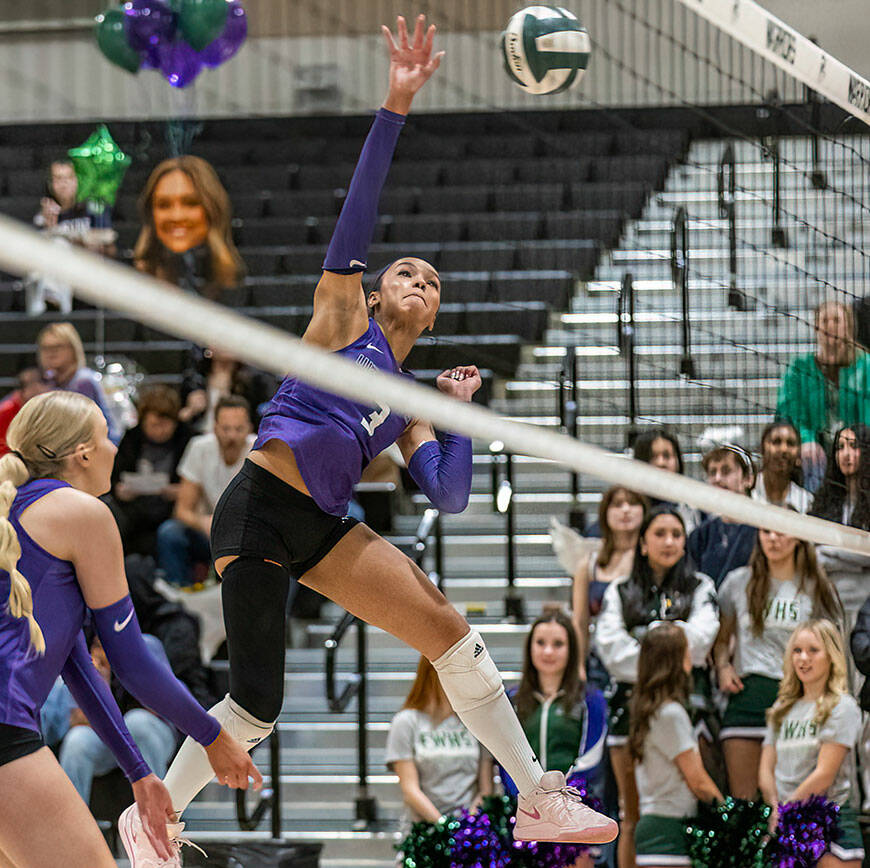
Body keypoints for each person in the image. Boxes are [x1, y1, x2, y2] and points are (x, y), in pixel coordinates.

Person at [144, 19, 617, 863]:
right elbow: (356, 222)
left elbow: (450, 496)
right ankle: (153, 819)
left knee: (451, 633)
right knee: (256, 704)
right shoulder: (340, 321)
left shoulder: (408, 399)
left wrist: (462, 415)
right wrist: (395, 106)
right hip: (257, 509)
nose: (418, 281)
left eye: (430, 283)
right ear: (378, 288)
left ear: (431, 316)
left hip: (323, 528)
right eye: (407, 271)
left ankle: (537, 793)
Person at [0, 390, 260, 867]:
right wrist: (213, 736)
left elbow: (76, 663)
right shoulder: (82, 514)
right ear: (83, 453)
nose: (115, 447)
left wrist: (138, 772)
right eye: (107, 436)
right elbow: (131, 661)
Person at [594, 505, 719, 868]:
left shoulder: (701, 585)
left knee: (690, 802)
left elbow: (702, 639)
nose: (669, 541)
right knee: (630, 816)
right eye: (660, 534)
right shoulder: (621, 588)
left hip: (691, 708)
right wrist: (667, 647)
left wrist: (646, 644)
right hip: (627, 713)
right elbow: (610, 649)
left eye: (677, 535)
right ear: (643, 544)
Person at [714, 525, 843, 798]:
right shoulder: (738, 582)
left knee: (792, 802)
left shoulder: (816, 586)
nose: (773, 538)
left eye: (782, 532)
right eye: (765, 532)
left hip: (797, 701)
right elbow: (722, 640)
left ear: (798, 537)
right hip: (747, 699)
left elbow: (832, 646)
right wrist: (723, 666)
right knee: (743, 805)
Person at [761, 620, 864, 866]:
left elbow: (824, 774)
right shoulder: (780, 710)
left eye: (813, 650)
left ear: (831, 656)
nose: (803, 658)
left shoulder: (843, 706)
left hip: (830, 825)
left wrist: (784, 814)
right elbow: (765, 769)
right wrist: (775, 809)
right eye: (797, 650)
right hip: (784, 823)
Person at [41, 635, 178, 806]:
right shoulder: (87, 659)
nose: (101, 651)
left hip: (154, 735)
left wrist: (129, 669)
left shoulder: (146, 646)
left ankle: (162, 816)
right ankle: (73, 826)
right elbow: (79, 720)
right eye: (98, 645)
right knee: (77, 740)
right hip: (114, 742)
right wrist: (99, 686)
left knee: (136, 722)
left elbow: (165, 704)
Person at [629, 624, 723, 867]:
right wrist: (729, 814)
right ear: (674, 659)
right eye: (686, 650)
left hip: (656, 826)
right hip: (669, 830)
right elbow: (698, 781)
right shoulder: (670, 714)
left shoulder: (649, 710)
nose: (690, 655)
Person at [505, 613, 607, 800]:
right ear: (529, 648)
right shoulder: (512, 700)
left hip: (575, 805)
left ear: (571, 649)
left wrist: (561, 794)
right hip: (524, 807)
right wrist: (528, 794)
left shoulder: (591, 700)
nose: (548, 652)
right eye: (540, 643)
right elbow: (505, 755)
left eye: (558, 644)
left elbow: (592, 755)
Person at [160, 396, 256, 588]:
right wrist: (203, 522)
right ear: (215, 427)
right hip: (209, 531)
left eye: (239, 429)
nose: (232, 436)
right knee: (170, 533)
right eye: (226, 429)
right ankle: (180, 598)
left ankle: (274, 614)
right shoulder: (200, 447)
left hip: (249, 535)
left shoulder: (259, 450)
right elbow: (182, 510)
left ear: (249, 428)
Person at [386, 658, 492, 826]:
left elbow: (486, 788)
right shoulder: (406, 722)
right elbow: (410, 789)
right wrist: (444, 827)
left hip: (468, 832)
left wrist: (467, 827)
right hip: (423, 831)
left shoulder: (476, 721)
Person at [776, 300, 870, 488]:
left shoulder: (865, 366)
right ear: (816, 327)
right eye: (825, 321)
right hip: (816, 454)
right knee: (812, 456)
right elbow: (789, 413)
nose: (830, 326)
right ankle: (817, 508)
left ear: (849, 326)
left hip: (858, 447)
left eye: (836, 320)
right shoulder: (799, 369)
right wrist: (807, 440)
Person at [134, 157, 244, 302]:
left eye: (191, 203)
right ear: (151, 214)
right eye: (164, 205)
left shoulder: (239, 283)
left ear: (212, 210)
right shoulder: (128, 284)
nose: (177, 216)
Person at [111, 386, 195, 558]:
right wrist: (119, 491)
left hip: (170, 510)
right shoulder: (132, 438)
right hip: (133, 509)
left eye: (166, 425)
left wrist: (184, 492)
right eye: (154, 425)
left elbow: (198, 481)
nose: (160, 431)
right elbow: (114, 478)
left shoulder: (188, 439)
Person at [28, 160, 117, 314]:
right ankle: (51, 306)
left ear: (77, 181)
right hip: (58, 272)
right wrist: (50, 230)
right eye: (58, 179)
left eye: (68, 178)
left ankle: (54, 304)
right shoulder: (45, 215)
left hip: (88, 270)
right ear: (50, 184)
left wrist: (66, 236)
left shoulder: (93, 210)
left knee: (59, 244)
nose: (64, 184)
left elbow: (110, 246)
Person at [571, 486, 648, 661]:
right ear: (605, 512)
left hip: (642, 656)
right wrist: (579, 667)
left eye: (633, 503)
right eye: (618, 504)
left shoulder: (652, 559)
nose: (626, 510)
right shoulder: (588, 563)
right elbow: (580, 622)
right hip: (599, 658)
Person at [36, 322, 123, 443]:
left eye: (57, 347)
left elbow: (79, 429)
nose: (51, 353)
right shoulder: (48, 381)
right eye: (46, 348)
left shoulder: (83, 381)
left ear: (73, 348)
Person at [686, 444, 758, 587]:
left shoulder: (765, 531)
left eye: (726, 471)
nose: (717, 478)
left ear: (748, 479)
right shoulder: (700, 536)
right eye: (712, 473)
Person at [178, 347, 273, 433]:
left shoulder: (254, 380)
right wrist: (191, 410)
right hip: (201, 435)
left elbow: (264, 415)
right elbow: (179, 420)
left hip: (242, 439)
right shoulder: (194, 380)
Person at [631, 429, 698, 534]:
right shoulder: (629, 506)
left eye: (666, 456)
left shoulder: (695, 504)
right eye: (653, 457)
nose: (661, 463)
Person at [0, 367, 54, 469]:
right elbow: (0, 450)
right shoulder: (7, 411)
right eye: (30, 385)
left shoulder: (53, 406)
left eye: (44, 383)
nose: (39, 389)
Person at [754, 421, 813, 512]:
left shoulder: (805, 502)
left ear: (798, 455)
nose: (784, 449)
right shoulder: (749, 491)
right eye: (776, 442)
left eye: (790, 443)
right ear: (762, 449)